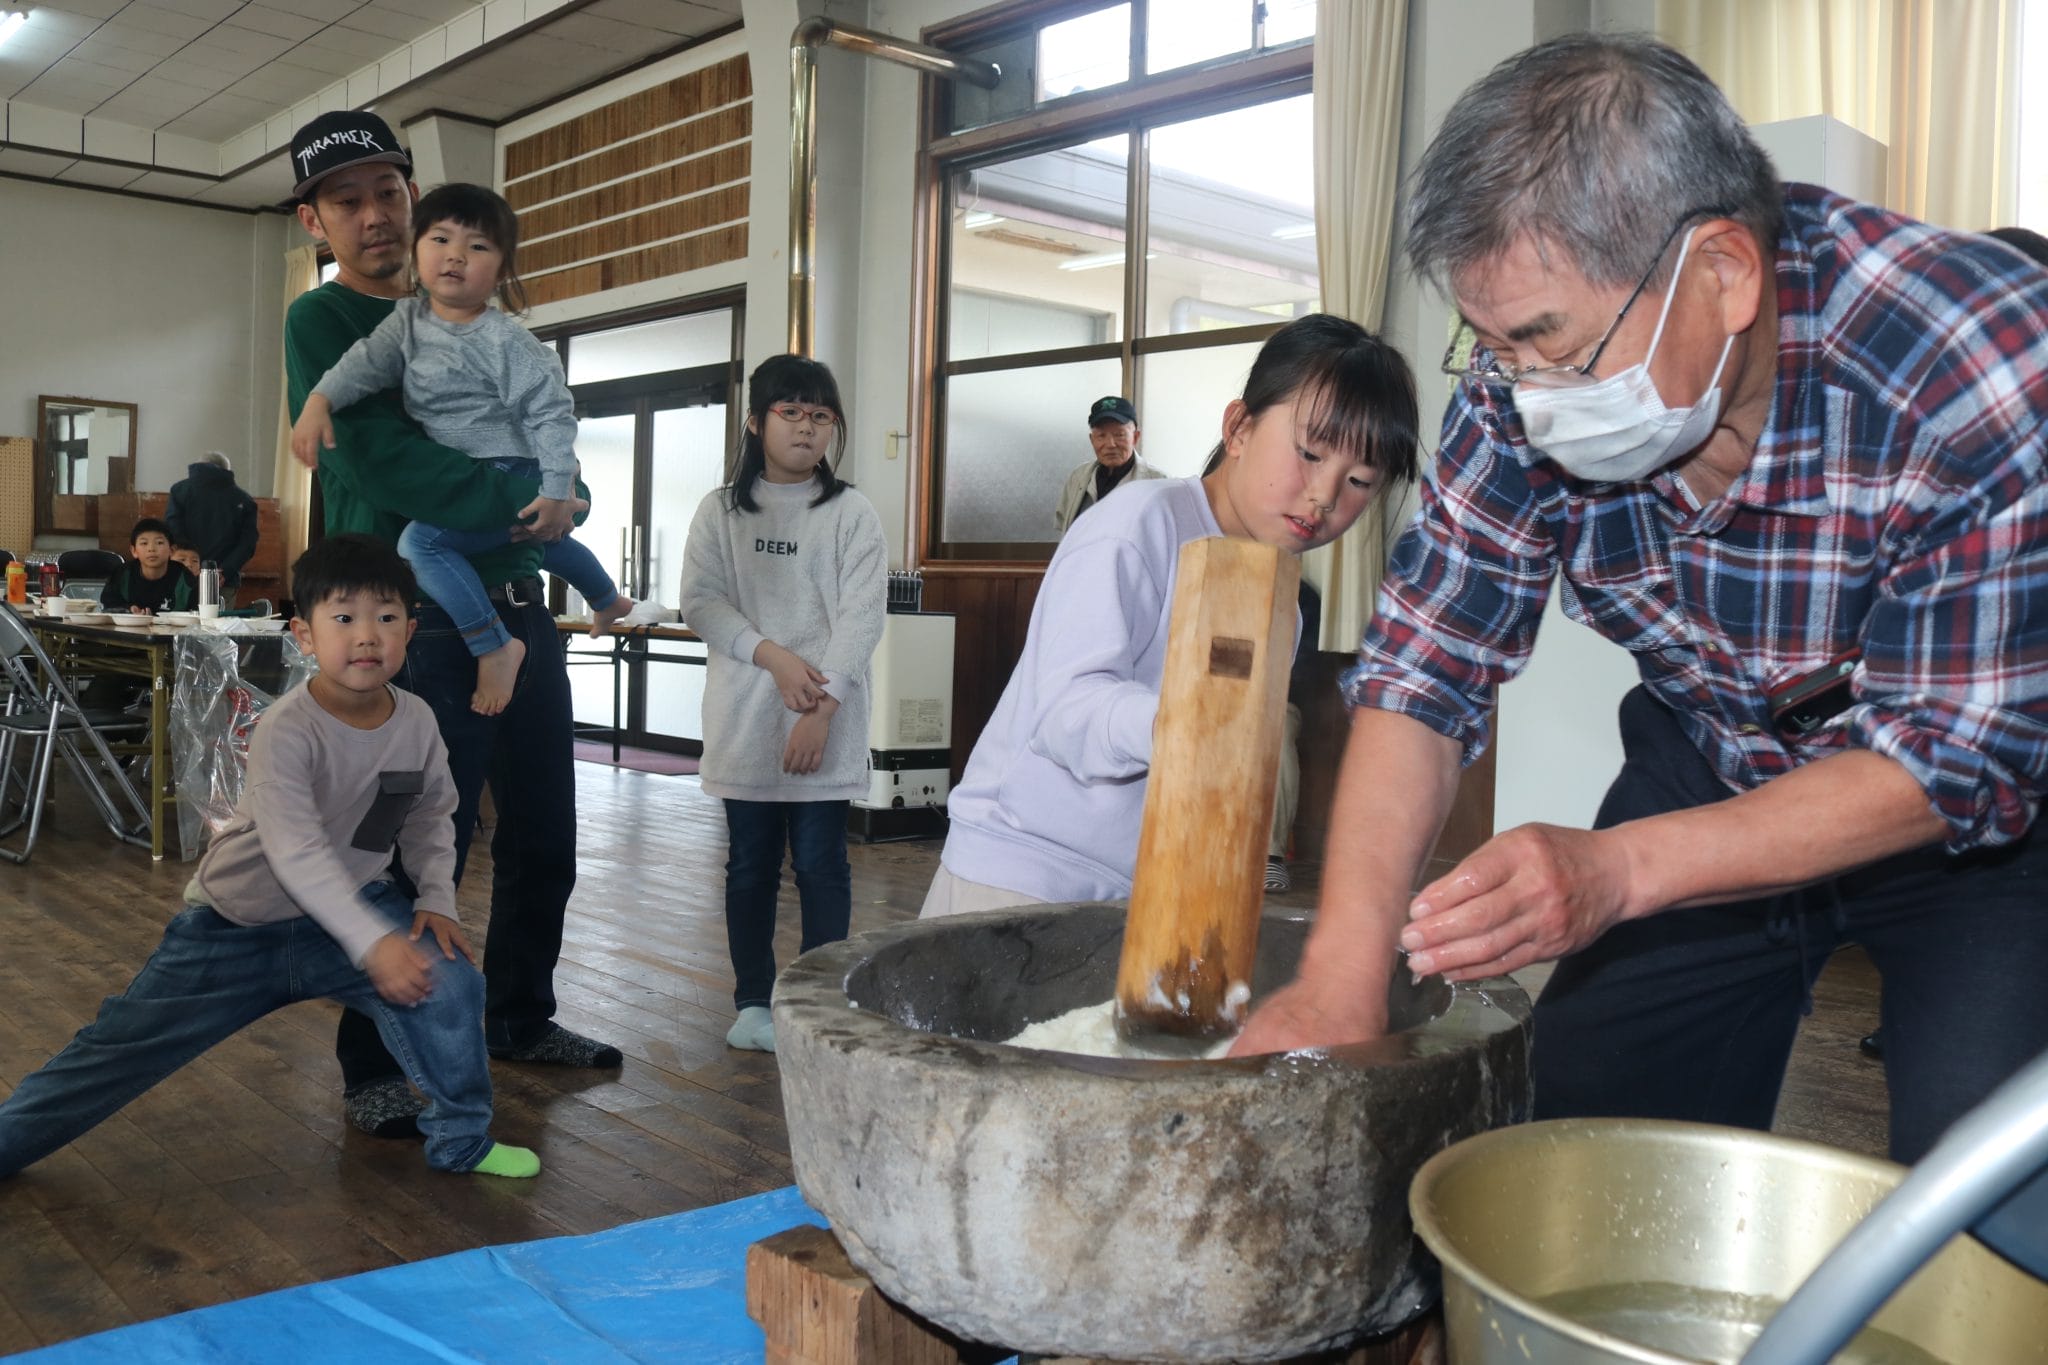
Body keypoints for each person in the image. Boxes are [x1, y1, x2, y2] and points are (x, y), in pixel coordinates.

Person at [1235, 36, 2048, 1211]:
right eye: (1493, 346)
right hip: (1709, 749)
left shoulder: (1974, 366)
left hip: (1975, 830)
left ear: (1721, 271)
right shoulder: (1521, 387)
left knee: (1988, 1199)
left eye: (1550, 342)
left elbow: (1950, 758)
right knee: (1578, 1161)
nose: (1519, 386)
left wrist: (1615, 872)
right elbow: (1424, 668)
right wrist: (1343, 976)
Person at [0, 535, 540, 1183]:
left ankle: (462, 1140)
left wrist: (435, 900)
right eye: (344, 618)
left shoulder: (417, 720)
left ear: (411, 631)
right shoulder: (288, 727)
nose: (367, 635)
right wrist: (374, 942)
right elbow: (296, 850)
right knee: (116, 1047)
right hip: (235, 924)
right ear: (304, 637)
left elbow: (429, 816)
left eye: (387, 618)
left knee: (451, 982)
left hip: (350, 910)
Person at [285, 110, 620, 1145]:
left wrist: (557, 494)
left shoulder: (481, 323)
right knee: (397, 851)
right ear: (316, 223)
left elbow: (550, 436)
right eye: (350, 201)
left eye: (391, 193)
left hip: (520, 609)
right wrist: (523, 498)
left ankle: (522, 1015)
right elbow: (383, 461)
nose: (378, 216)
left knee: (542, 835)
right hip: (412, 627)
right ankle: (377, 1063)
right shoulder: (329, 326)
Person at [923, 315, 1419, 917]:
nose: (1324, 495)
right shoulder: (1139, 524)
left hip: (1146, 896)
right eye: (1310, 453)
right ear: (1238, 427)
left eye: (1360, 480)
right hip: (1022, 877)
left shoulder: (1277, 598)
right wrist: (1185, 724)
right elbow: (1066, 712)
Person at [291, 182, 647, 716]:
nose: (455, 256)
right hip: (428, 611)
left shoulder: (506, 340)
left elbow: (552, 415)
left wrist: (560, 490)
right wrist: (319, 399)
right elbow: (364, 378)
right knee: (534, 533)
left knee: (427, 544)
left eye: (477, 247)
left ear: (502, 270)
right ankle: (605, 598)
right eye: (441, 240)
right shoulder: (395, 323)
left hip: (511, 499)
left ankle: (494, 645)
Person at [677, 356, 886, 1054]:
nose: (806, 427)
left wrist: (821, 709)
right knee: (750, 865)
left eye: (821, 415)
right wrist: (774, 656)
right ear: (755, 421)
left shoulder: (852, 512)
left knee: (824, 861)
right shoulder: (722, 510)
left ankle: (824, 999)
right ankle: (752, 1002)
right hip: (745, 715)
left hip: (826, 719)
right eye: (791, 412)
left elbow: (862, 617)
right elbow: (702, 602)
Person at [1266, 579, 1321, 893]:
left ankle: (1270, 856)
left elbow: (1301, 675)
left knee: (1277, 724)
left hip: (1273, 697)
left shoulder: (1301, 596)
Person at [1054, 395, 1167, 535]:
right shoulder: (1078, 477)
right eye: (1101, 436)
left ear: (1135, 437)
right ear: (1092, 439)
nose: (1110, 444)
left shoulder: (1158, 482)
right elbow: (1064, 526)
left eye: (1119, 435)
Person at [165, 452, 259, 596]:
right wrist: (224, 571)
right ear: (227, 470)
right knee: (218, 617)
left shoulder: (179, 491)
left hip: (182, 578)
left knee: (178, 617)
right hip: (223, 581)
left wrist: (189, 565)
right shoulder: (244, 500)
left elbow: (173, 531)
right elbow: (248, 543)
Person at [98, 517, 197, 615]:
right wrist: (128, 610)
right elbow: (108, 605)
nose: (151, 549)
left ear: (172, 550)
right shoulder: (123, 574)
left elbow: (197, 613)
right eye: (144, 543)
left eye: (159, 543)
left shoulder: (184, 578)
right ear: (134, 551)